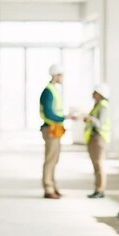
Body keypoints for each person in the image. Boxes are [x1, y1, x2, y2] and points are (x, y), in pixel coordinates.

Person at [39, 64, 75, 199]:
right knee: (50, 159)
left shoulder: (53, 90)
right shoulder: (48, 91)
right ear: (56, 76)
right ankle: (48, 188)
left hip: (56, 129)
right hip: (50, 129)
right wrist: (65, 117)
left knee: (54, 159)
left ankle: (53, 186)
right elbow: (48, 114)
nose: (63, 78)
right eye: (61, 75)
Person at [83, 83, 111, 199]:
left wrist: (89, 118)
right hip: (94, 138)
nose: (92, 95)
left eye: (95, 92)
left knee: (98, 164)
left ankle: (100, 190)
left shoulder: (103, 106)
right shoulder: (97, 105)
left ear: (100, 94)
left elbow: (99, 123)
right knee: (96, 165)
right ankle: (97, 189)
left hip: (99, 139)